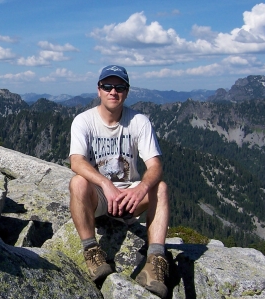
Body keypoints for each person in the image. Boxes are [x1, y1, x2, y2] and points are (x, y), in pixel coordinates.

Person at [69, 65, 170, 298]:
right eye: (107, 86)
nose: (113, 91)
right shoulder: (83, 121)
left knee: (161, 188)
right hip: (102, 197)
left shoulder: (139, 121)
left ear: (126, 91)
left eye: (119, 87)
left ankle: (154, 263)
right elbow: (76, 162)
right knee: (77, 183)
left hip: (131, 197)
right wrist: (106, 184)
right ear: (99, 90)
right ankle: (92, 252)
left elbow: (155, 166)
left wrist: (141, 189)